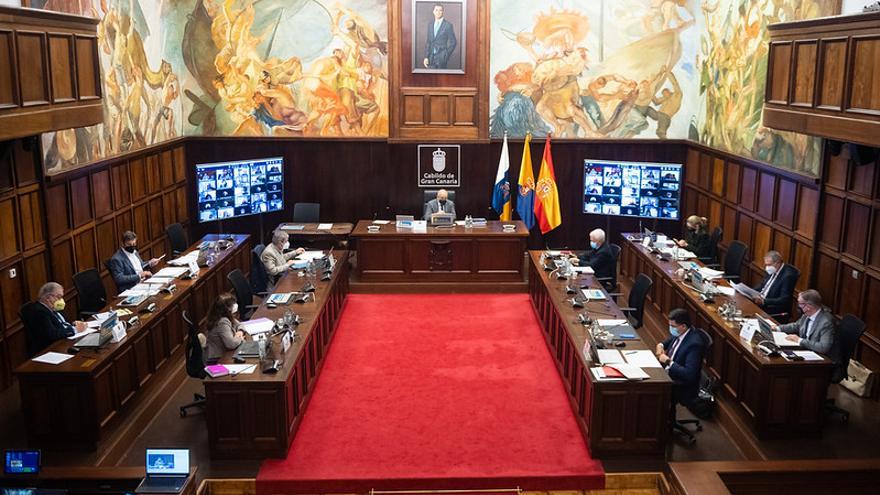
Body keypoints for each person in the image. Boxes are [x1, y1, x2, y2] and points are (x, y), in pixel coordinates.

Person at [655, 308, 707, 407]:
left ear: (683, 326)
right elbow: (669, 340)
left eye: (672, 326)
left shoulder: (694, 345)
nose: (670, 328)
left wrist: (668, 362)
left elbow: (689, 374)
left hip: (680, 383)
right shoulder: (681, 332)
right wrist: (660, 345)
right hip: (668, 372)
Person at [776, 290, 839, 368]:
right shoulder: (807, 314)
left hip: (818, 360)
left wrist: (799, 340)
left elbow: (823, 347)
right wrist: (777, 328)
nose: (798, 306)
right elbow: (796, 326)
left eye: (800, 304)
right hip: (805, 350)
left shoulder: (826, 323)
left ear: (808, 306)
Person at [21, 282, 87, 357]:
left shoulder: (50, 308)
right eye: (59, 297)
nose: (61, 300)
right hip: (52, 349)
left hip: (63, 342)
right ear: (48, 298)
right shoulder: (40, 312)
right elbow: (52, 335)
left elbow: (59, 325)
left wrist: (72, 325)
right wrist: (75, 329)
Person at [751, 251, 799, 322]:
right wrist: (751, 292)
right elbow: (762, 284)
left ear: (778, 263)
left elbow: (784, 299)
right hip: (761, 301)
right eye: (766, 264)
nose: (767, 267)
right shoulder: (772, 270)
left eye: (769, 265)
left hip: (772, 308)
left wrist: (764, 301)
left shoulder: (787, 276)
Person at [204, 292, 245, 361]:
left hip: (224, 353)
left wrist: (240, 331)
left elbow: (239, 324)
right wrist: (240, 338)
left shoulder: (221, 316)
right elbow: (231, 344)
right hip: (218, 359)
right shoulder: (222, 322)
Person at [422, 3, 457, 69]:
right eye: (436, 10)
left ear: (443, 12)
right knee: (430, 79)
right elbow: (428, 42)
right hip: (430, 59)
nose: (438, 12)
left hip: (441, 59)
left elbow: (453, 42)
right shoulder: (430, 25)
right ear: (433, 12)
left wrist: (445, 55)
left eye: (440, 10)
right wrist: (426, 57)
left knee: (442, 79)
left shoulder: (448, 25)